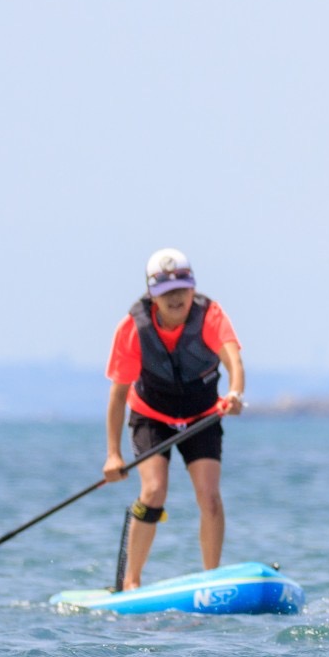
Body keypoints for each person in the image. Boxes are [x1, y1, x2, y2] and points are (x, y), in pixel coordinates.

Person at [100, 248, 246, 589]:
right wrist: (112, 454)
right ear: (153, 295)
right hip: (151, 416)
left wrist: (235, 394)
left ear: (192, 288)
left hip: (202, 416)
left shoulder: (210, 316)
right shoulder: (133, 327)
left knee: (209, 495)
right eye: (167, 292)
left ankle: (211, 582)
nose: (176, 298)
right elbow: (118, 395)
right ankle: (131, 581)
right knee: (153, 490)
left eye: (182, 288)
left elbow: (234, 364)